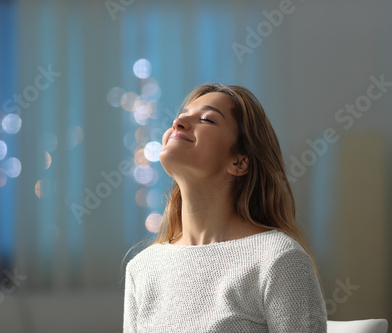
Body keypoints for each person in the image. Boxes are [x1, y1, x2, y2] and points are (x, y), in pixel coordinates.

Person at [122, 83, 327, 332]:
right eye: (182, 114)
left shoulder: (278, 259)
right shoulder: (143, 267)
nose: (178, 121)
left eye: (207, 119)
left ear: (239, 162)